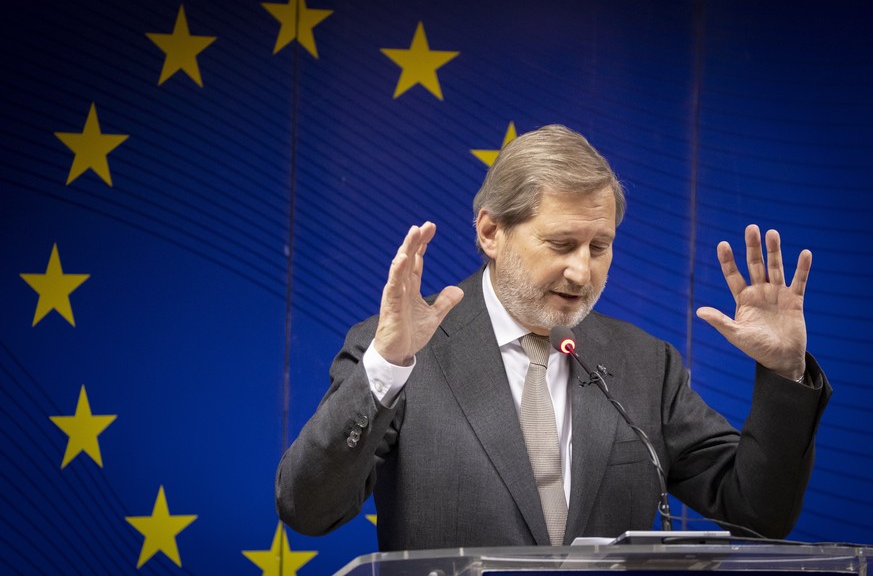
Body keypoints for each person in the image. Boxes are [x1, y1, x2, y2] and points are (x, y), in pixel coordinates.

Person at [275, 124, 830, 551]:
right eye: (561, 244)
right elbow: (309, 508)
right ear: (492, 232)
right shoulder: (398, 351)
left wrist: (784, 374)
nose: (582, 273)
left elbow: (757, 512)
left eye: (599, 247)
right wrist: (388, 367)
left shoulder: (643, 363)